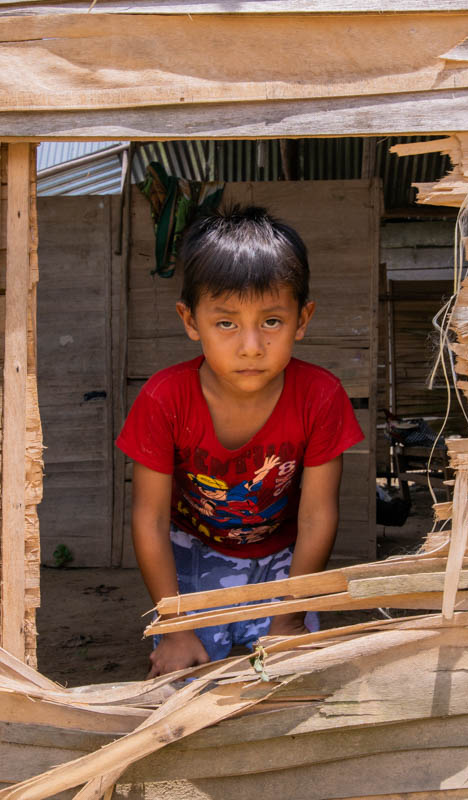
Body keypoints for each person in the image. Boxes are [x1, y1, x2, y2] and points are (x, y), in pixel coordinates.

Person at [115, 205, 365, 678]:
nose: (251, 345)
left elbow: (316, 515)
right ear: (191, 322)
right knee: (186, 673)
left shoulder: (321, 396)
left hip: (284, 558)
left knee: (291, 674)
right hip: (193, 549)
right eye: (226, 323)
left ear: (302, 319)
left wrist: (289, 621)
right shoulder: (164, 398)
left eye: (271, 321)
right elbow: (148, 518)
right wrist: (174, 627)